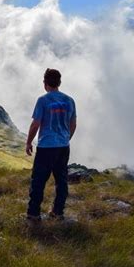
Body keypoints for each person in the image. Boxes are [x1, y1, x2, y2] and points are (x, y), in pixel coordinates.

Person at [25, 68, 76, 224]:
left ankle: (33, 215)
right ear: (59, 82)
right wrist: (66, 138)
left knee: (38, 181)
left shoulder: (43, 100)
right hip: (63, 147)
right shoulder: (69, 100)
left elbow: (36, 124)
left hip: (46, 147)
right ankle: (57, 212)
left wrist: (28, 142)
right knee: (61, 180)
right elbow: (73, 124)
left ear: (45, 83)